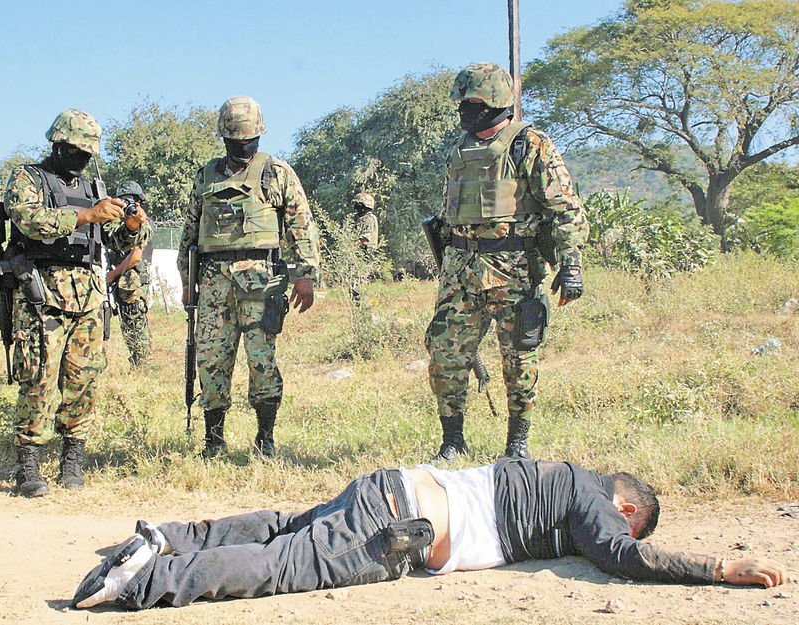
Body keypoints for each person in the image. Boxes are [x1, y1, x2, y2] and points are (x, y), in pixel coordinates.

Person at [71, 458, 790, 610]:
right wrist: (716, 567)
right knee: (280, 564)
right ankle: (142, 580)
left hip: (392, 486)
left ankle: (162, 536)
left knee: (285, 522)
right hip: (401, 526)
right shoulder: (591, 499)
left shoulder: (554, 472)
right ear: (627, 506)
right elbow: (622, 558)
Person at [425, 63, 588, 461]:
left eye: (472, 102)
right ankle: (452, 442)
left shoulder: (529, 144)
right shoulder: (459, 149)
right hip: (460, 273)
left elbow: (566, 208)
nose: (464, 109)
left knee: (519, 359)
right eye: (462, 102)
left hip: (513, 271)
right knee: (445, 356)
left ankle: (516, 447)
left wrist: (571, 264)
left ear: (495, 102)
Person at [2, 110, 150, 497]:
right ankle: (29, 467)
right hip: (42, 294)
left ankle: (72, 461)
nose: (82, 159)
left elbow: (116, 242)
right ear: (58, 144)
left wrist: (132, 227)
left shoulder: (94, 186)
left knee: (83, 380)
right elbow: (27, 220)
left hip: (88, 296)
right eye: (76, 150)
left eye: (88, 153)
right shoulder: (27, 178)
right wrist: (86, 215)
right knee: (38, 379)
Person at [177, 96, 319, 458]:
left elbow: (300, 224)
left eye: (250, 141)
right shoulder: (206, 175)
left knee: (262, 360)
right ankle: (214, 440)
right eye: (235, 142)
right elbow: (190, 232)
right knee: (211, 360)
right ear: (224, 138)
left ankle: (265, 438)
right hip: (213, 282)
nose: (243, 148)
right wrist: (186, 283)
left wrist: (306, 275)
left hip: (261, 280)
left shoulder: (277, 172)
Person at [105, 181, 154, 367]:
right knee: (129, 325)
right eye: (122, 201)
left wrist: (112, 275)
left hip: (133, 283)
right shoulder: (121, 227)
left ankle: (142, 364)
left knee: (135, 324)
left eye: (130, 201)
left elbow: (135, 255)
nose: (126, 205)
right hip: (125, 283)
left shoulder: (143, 224)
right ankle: (139, 362)